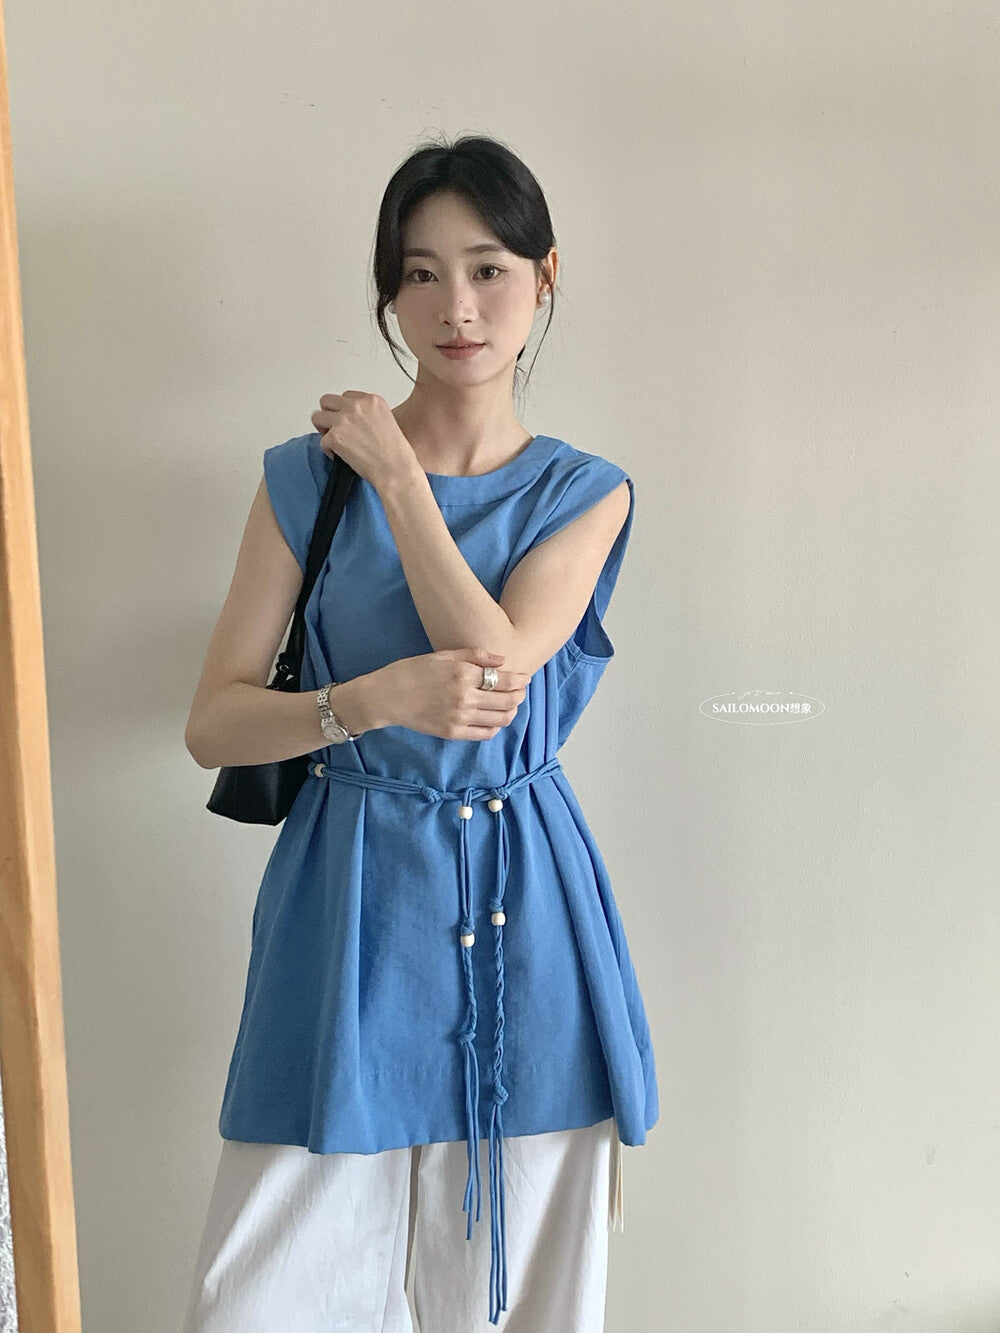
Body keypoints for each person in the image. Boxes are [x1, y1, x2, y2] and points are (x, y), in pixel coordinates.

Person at [180, 133, 659, 1332]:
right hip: (344, 901)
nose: (457, 308)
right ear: (389, 293)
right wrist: (372, 700)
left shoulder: (583, 490)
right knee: (264, 1295)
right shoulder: (302, 480)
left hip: (525, 904)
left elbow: (496, 667)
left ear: (545, 276)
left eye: (489, 269)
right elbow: (214, 724)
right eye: (421, 274)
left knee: (518, 1298)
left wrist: (399, 481)